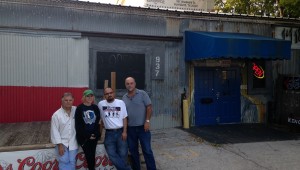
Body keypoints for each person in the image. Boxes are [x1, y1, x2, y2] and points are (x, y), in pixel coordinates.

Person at [122, 77, 157, 170]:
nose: (130, 85)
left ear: (135, 84)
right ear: (125, 85)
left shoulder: (142, 94)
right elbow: (124, 115)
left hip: (143, 128)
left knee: (147, 150)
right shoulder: (124, 98)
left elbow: (149, 107)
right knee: (133, 151)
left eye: (131, 83)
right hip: (130, 129)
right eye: (127, 83)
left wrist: (147, 121)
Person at [98, 87, 131, 170]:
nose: (109, 95)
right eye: (107, 93)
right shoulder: (101, 104)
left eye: (111, 93)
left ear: (113, 93)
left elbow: (124, 118)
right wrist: (100, 134)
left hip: (120, 132)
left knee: (123, 155)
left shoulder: (120, 102)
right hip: (109, 134)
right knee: (112, 155)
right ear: (104, 95)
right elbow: (101, 120)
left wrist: (124, 132)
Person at [50, 92, 78, 170]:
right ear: (62, 101)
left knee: (72, 161)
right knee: (63, 161)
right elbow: (54, 131)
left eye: (70, 100)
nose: (68, 102)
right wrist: (59, 145)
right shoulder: (56, 115)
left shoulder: (76, 110)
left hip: (73, 141)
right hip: (62, 143)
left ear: (73, 100)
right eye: (66, 100)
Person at [75, 89, 100, 170]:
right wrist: (88, 135)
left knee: (92, 156)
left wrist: (96, 133)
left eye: (91, 96)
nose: (90, 97)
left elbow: (97, 122)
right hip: (84, 138)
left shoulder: (95, 107)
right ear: (84, 97)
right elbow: (78, 125)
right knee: (89, 156)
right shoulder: (79, 108)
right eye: (87, 96)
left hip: (94, 136)